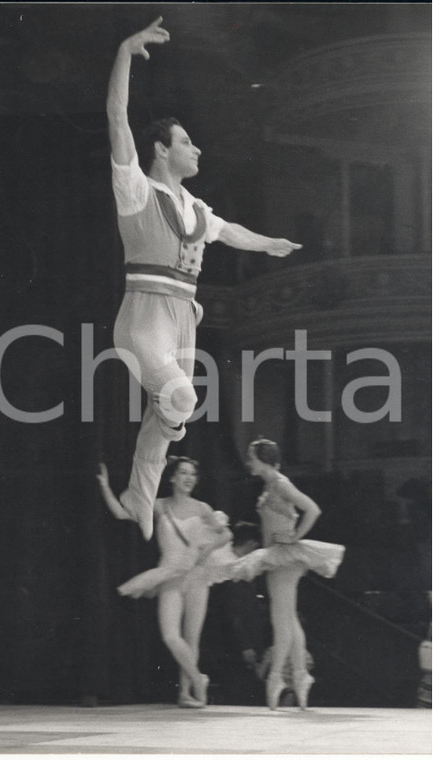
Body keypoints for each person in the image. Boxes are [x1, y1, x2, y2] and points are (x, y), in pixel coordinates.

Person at [105, 17, 302, 541]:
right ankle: (139, 490)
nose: (197, 149)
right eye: (187, 142)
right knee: (182, 405)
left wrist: (269, 243)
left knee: (167, 411)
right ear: (161, 150)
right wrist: (125, 53)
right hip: (145, 317)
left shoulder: (195, 206)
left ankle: (138, 495)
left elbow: (229, 231)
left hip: (184, 319)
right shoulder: (136, 191)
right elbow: (118, 118)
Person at [97, 456, 235, 708]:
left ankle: (185, 693)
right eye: (183, 473)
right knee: (170, 635)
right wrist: (105, 486)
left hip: (196, 575)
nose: (188, 478)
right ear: (172, 477)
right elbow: (120, 513)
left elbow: (226, 534)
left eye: (192, 474)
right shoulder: (159, 506)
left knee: (191, 637)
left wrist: (205, 551)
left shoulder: (202, 508)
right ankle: (197, 679)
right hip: (169, 573)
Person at [227, 438, 345, 710]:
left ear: (263, 458)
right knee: (288, 620)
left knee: (281, 621)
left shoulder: (280, 483)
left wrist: (294, 538)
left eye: (251, 456)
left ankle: (277, 678)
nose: (248, 461)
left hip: (284, 557)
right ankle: (300, 677)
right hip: (276, 556)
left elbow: (312, 509)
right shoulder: (271, 484)